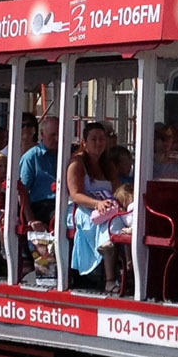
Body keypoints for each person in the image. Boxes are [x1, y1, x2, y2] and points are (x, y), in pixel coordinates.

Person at [66, 121, 122, 292]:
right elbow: (76, 194)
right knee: (108, 224)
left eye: (101, 139)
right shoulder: (77, 164)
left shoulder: (108, 165)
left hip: (107, 208)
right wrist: (97, 204)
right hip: (83, 209)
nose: (98, 143)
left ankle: (129, 271)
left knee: (127, 222)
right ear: (84, 142)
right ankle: (110, 279)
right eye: (93, 139)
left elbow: (117, 190)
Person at [20, 114, 59, 228]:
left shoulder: (67, 155)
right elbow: (22, 192)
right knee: (61, 218)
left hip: (66, 203)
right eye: (52, 135)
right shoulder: (32, 157)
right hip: (43, 206)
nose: (56, 139)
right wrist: (31, 220)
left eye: (59, 134)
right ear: (42, 134)